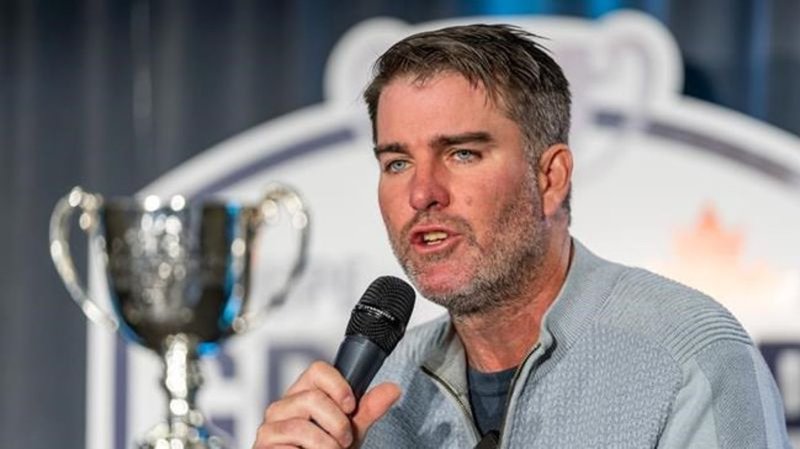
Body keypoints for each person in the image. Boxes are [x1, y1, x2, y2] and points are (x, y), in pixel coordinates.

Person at [252, 24, 791, 448]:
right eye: (397, 162)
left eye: (462, 154)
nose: (421, 194)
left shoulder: (688, 357)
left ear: (550, 177)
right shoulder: (377, 395)